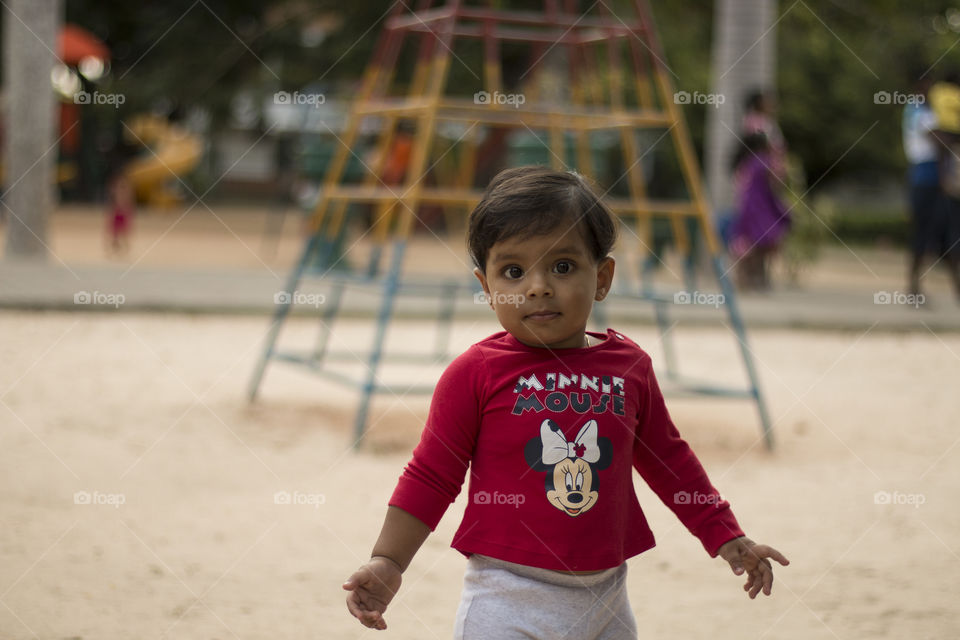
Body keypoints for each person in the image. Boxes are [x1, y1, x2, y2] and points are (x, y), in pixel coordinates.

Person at [342, 166, 789, 638]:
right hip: (506, 598)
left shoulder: (629, 367)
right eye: (513, 271)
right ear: (486, 286)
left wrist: (726, 535)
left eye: (562, 266)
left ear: (602, 277)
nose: (538, 286)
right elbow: (431, 475)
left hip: (607, 600)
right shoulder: (474, 373)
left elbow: (669, 460)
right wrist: (388, 561)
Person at [729, 133, 791, 291]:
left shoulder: (746, 163)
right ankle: (757, 279)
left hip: (747, 207)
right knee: (764, 243)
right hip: (762, 207)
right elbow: (778, 180)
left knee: (749, 243)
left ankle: (745, 280)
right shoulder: (764, 161)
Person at [902, 75, 941, 298]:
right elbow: (937, 137)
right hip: (923, 174)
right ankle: (913, 288)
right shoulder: (917, 109)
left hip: (931, 174)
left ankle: (917, 287)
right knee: (921, 233)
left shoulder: (927, 110)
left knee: (930, 235)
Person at [105, 165, 135, 256]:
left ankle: (124, 249)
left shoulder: (125, 188)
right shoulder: (119, 187)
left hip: (122, 212)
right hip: (118, 212)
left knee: (122, 233)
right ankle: (117, 249)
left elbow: (127, 201)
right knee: (116, 234)